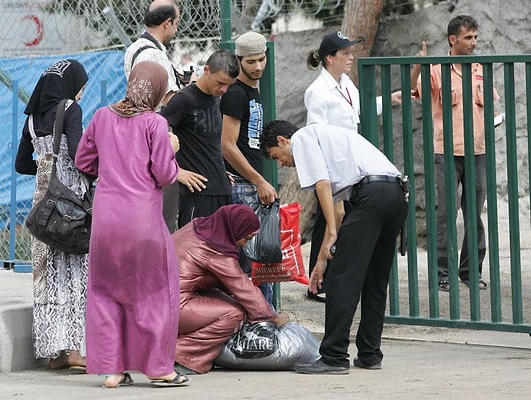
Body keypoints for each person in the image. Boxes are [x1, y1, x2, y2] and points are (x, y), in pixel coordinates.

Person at [75, 61, 189, 388]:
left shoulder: (101, 116)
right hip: (142, 222)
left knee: (106, 293)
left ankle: (112, 371)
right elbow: (165, 175)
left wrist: (112, 166)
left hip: (106, 221)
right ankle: (158, 369)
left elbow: (84, 161)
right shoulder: (155, 123)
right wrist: (172, 147)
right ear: (155, 89)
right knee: (153, 292)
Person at [260, 120, 408, 374]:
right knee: (375, 280)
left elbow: (322, 185)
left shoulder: (303, 138)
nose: (281, 164)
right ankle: (370, 354)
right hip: (395, 194)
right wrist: (320, 262)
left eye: (277, 156)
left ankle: (334, 356)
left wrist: (329, 233)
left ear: (284, 141)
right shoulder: (332, 144)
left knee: (342, 279)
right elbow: (338, 211)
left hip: (370, 196)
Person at [303, 30, 402, 302]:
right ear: (329, 58)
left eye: (350, 52)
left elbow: (361, 108)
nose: (351, 57)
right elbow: (316, 133)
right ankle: (318, 284)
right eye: (345, 53)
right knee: (327, 220)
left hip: (350, 165)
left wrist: (391, 99)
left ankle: (330, 277)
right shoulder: (317, 91)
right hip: (332, 166)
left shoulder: (346, 83)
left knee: (341, 220)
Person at [411, 15, 498, 292]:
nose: (474, 42)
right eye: (468, 38)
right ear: (453, 40)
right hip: (446, 153)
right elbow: (415, 90)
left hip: (478, 152)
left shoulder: (480, 69)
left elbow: (490, 105)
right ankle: (442, 273)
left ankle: (471, 271)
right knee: (445, 215)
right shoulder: (436, 70)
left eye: (475, 37)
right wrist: (417, 66)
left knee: (474, 215)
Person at [15, 59, 89, 370]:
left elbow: (21, 163)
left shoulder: (32, 118)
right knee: (75, 270)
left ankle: (53, 351)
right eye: (81, 85)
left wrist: (45, 167)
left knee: (47, 274)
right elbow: (77, 153)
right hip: (68, 200)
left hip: (41, 202)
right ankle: (74, 350)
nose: (82, 91)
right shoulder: (70, 108)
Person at [172, 204, 290, 375]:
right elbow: (242, 287)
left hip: (151, 302)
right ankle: (181, 354)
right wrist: (272, 317)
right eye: (247, 238)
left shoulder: (199, 228)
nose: (244, 244)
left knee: (225, 299)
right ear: (234, 230)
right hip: (171, 308)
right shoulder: (214, 250)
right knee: (234, 313)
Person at [124, 0, 205, 233]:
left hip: (141, 132)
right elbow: (170, 100)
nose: (176, 29)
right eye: (176, 24)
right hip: (159, 135)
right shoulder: (156, 56)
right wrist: (193, 87)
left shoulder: (134, 48)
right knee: (164, 210)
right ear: (167, 23)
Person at [220, 31, 277, 304]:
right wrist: (258, 181)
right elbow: (227, 145)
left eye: (261, 60)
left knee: (263, 266)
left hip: (252, 186)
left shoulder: (254, 92)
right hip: (243, 189)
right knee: (250, 267)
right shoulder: (235, 94)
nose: (258, 67)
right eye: (251, 61)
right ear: (239, 61)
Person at [160, 50, 240, 228]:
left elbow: (208, 144)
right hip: (196, 194)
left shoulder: (216, 99)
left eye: (229, 85)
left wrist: (218, 169)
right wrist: (175, 171)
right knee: (194, 252)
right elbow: (154, 135)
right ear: (206, 70)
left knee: (227, 253)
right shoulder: (184, 99)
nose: (224, 90)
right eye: (220, 83)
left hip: (222, 189)